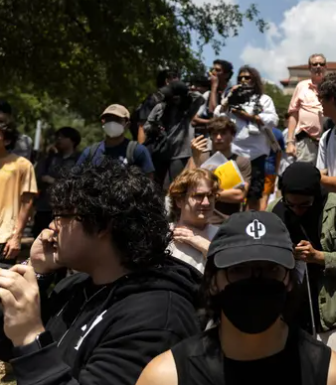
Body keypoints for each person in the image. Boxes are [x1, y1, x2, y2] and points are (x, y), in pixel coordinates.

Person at [0, 160, 201, 385]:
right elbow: (8, 346)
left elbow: (29, 344)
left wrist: (30, 337)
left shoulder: (158, 317)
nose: (53, 227)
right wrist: (37, 270)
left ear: (102, 225)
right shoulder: (76, 287)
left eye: (63, 216)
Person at [137, 211, 336, 385]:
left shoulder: (329, 375)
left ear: (289, 280)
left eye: (270, 269)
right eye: (239, 269)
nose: (256, 281)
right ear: (212, 281)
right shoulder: (167, 377)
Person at [271, 162, 336, 360]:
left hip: (331, 315)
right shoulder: (274, 211)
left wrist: (319, 257)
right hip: (288, 315)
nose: (297, 210)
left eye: (304, 204)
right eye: (291, 205)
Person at [217, 65, 278, 210]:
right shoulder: (231, 98)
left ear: (255, 80)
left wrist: (250, 117)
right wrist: (226, 102)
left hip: (255, 155)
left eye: (247, 77)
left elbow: (273, 120)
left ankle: (251, 226)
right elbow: (217, 118)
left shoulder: (264, 99)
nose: (243, 80)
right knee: (230, 192)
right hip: (234, 154)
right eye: (240, 78)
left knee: (254, 195)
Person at [143, 81, 205, 188]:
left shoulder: (187, 111)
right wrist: (155, 128)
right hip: (160, 152)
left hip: (180, 154)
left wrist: (185, 92)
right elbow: (146, 126)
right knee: (156, 185)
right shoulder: (160, 107)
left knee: (176, 186)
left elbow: (200, 98)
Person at [189, 117, 252, 216]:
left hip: (228, 219)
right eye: (214, 134)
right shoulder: (200, 157)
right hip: (200, 217)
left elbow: (239, 195)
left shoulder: (241, 161)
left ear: (232, 135)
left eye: (223, 133)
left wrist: (205, 192)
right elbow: (188, 186)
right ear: (210, 136)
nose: (218, 137)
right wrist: (194, 156)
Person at [167, 168, 220, 273]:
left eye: (210, 196)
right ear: (179, 200)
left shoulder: (221, 236)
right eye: (198, 196)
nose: (206, 203)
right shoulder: (164, 234)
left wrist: (203, 244)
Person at [77, 104, 155, 174]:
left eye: (117, 120)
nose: (112, 123)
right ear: (103, 123)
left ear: (127, 125)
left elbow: (149, 182)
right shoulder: (90, 152)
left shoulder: (138, 151)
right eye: (108, 119)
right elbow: (74, 179)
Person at [0, 118, 37, 262]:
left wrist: (17, 236)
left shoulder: (22, 165)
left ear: (7, 141)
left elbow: (27, 202)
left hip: (4, 237)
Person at [34, 127, 81, 237]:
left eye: (63, 137)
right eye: (57, 137)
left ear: (73, 140)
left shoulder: (79, 159)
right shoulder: (50, 158)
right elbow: (38, 176)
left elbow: (78, 182)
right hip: (45, 207)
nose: (59, 139)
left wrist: (54, 181)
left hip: (67, 208)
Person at [286, 54, 327, 163]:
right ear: (309, 67)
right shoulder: (301, 86)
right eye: (315, 64)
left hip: (327, 143)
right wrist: (290, 142)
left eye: (321, 64)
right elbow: (293, 114)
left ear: (325, 67)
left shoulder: (331, 88)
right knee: (305, 178)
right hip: (305, 142)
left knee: (325, 178)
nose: (318, 66)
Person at [131, 68, 180, 143]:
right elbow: (142, 128)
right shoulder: (153, 100)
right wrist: (142, 151)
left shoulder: (174, 101)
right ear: (167, 81)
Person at [192, 59, 234, 135]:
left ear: (226, 75)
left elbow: (215, 112)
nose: (213, 72)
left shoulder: (231, 93)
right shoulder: (208, 94)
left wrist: (214, 85)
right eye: (213, 69)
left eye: (218, 70)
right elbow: (194, 119)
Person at [263, 126, 286, 204]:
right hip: (270, 168)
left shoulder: (256, 128)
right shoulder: (278, 133)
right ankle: (261, 216)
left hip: (254, 167)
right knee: (265, 197)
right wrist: (276, 170)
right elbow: (279, 153)